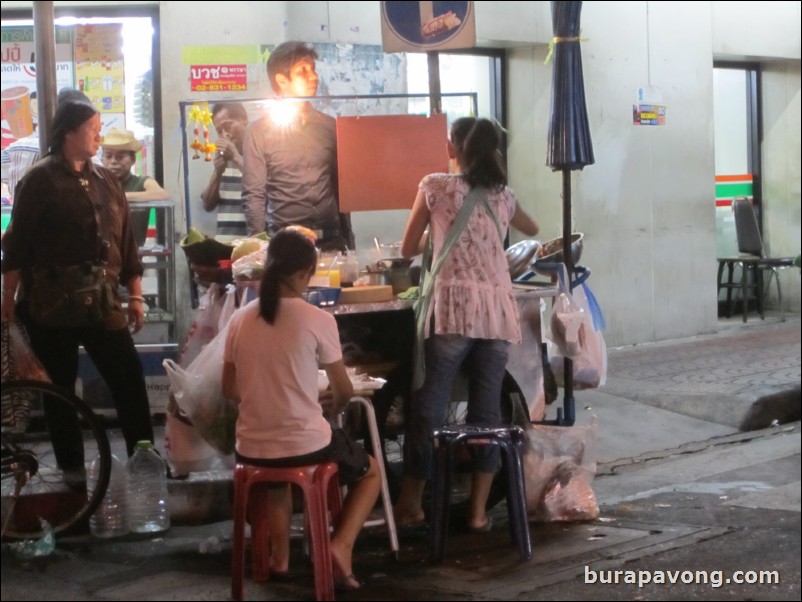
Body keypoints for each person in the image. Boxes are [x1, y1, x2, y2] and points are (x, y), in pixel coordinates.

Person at [393, 117, 540, 531]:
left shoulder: (435, 186)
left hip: (454, 311)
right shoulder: (503, 194)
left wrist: (440, 237)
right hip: (496, 311)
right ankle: (477, 512)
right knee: (487, 411)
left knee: (429, 405)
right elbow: (533, 228)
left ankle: (411, 502)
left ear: (453, 148)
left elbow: (407, 247)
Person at [1, 100, 155, 474]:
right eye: (93, 128)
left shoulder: (106, 181)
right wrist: (7, 298)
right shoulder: (39, 180)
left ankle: (145, 457)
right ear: (68, 133)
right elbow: (17, 244)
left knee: (128, 377)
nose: (99, 135)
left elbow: (126, 245)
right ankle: (71, 469)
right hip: (49, 302)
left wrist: (134, 293)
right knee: (60, 390)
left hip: (102, 300)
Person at [222, 228, 379, 589]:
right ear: (306, 273)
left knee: (277, 485)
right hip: (305, 443)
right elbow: (342, 390)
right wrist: (326, 406)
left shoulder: (240, 320)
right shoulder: (318, 319)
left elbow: (229, 389)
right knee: (371, 472)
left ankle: (280, 559)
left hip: (252, 449)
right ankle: (340, 546)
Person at [242, 41, 353, 252]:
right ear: (282, 80)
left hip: (331, 241)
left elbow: (340, 186)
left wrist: (348, 238)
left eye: (313, 69)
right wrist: (257, 248)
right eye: (303, 71)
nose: (313, 77)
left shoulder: (330, 126)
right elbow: (254, 195)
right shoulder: (259, 131)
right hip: (286, 245)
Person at [101, 128, 170, 247]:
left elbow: (162, 195)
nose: (113, 162)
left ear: (133, 159)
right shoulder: (97, 182)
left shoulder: (141, 182)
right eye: (108, 156)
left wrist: (120, 196)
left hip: (135, 254)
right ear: (102, 159)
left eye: (120, 157)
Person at [200, 102, 249, 243]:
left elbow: (265, 190)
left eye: (227, 127)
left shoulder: (261, 154)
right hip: (224, 248)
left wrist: (236, 157)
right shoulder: (223, 159)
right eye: (219, 131)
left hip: (252, 249)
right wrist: (218, 172)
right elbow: (207, 205)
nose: (225, 135)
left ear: (244, 119)